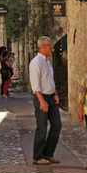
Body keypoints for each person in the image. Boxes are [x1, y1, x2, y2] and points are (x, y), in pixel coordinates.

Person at [29, 36, 62, 165]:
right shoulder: (36, 62)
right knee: (42, 128)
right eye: (50, 46)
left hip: (50, 97)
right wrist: (41, 101)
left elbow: (49, 80)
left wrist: (55, 94)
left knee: (57, 125)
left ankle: (48, 153)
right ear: (43, 47)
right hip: (41, 98)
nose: (52, 48)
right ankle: (37, 157)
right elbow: (35, 85)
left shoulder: (47, 62)